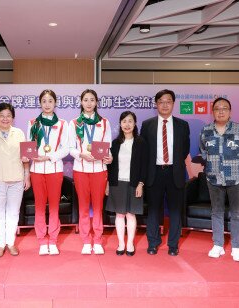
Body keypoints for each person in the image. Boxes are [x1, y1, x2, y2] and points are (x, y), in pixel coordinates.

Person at [199, 97, 239, 262]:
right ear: (213, 112)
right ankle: (218, 245)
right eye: (217, 108)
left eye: (224, 108)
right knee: (216, 212)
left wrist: (235, 164)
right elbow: (203, 152)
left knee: (237, 213)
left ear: (230, 111)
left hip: (236, 178)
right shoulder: (206, 131)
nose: (221, 111)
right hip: (213, 178)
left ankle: (236, 247)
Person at [140, 89, 190, 256]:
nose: (165, 105)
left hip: (175, 173)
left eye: (168, 101)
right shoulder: (147, 125)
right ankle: (153, 243)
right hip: (154, 173)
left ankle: (173, 245)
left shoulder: (183, 125)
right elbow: (143, 151)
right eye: (161, 101)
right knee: (154, 209)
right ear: (156, 104)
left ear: (173, 104)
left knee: (176, 210)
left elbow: (185, 150)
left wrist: (172, 164)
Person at [0, 103, 31, 258]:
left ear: (13, 117)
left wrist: (27, 176)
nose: (5, 118)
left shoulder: (19, 133)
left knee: (13, 213)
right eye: (2, 115)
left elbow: (26, 158)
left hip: (17, 179)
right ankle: (0, 245)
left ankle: (11, 243)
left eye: (8, 115)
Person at [24, 89, 69, 256]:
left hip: (55, 169)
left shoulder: (63, 124)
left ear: (55, 103)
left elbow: (65, 149)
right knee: (40, 207)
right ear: (40, 103)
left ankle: (53, 240)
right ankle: (42, 240)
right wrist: (32, 156)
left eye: (50, 101)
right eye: (44, 101)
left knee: (55, 207)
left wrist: (49, 156)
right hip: (36, 170)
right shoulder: (32, 123)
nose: (47, 104)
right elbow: (29, 146)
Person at [69, 89, 112, 255]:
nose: (88, 103)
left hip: (99, 170)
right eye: (85, 100)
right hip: (80, 169)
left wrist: (107, 156)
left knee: (98, 207)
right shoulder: (74, 123)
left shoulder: (104, 122)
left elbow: (107, 145)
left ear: (96, 102)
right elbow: (70, 147)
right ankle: (86, 240)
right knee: (84, 207)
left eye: (92, 100)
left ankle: (98, 240)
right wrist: (81, 154)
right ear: (81, 102)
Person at [106, 111, 148, 256]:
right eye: (124, 121)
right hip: (117, 183)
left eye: (130, 121)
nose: (127, 124)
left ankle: (130, 243)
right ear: (120, 124)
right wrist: (107, 183)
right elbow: (109, 166)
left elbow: (144, 165)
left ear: (135, 123)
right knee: (119, 215)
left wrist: (141, 184)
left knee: (131, 215)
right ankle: (121, 243)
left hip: (134, 184)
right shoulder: (115, 143)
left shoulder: (141, 142)